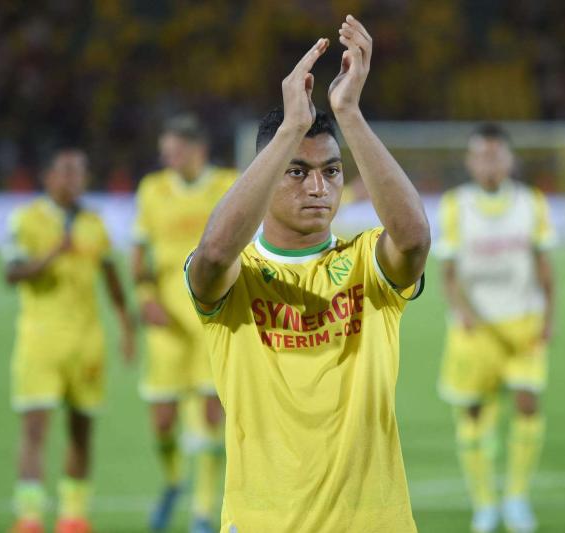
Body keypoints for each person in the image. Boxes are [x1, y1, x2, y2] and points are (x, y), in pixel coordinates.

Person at [184, 15, 430, 532]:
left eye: (331, 171)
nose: (318, 188)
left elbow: (413, 241)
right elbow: (212, 256)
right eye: (297, 171)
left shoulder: (366, 263)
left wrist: (349, 114)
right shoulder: (238, 277)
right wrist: (290, 129)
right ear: (269, 172)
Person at [3, 148, 135, 533]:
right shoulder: (26, 219)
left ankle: (73, 517)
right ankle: (29, 517)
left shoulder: (94, 222)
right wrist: (51, 255)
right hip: (40, 341)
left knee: (81, 430)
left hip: (87, 343)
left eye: (80, 172)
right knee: (34, 428)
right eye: (66, 172)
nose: (74, 179)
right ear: (47, 176)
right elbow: (12, 273)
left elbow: (111, 278)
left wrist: (126, 326)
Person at [435, 124, 555, 533]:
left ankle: (517, 497)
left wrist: (550, 316)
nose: (489, 163)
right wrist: (463, 312)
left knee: (527, 403)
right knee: (472, 412)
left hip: (523, 322)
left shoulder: (532, 203)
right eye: (482, 156)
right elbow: (448, 273)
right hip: (475, 330)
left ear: (510, 160)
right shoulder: (455, 205)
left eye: (496, 155)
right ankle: (484, 503)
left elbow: (544, 263)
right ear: (470, 162)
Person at [131, 115, 236, 532]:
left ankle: (202, 513)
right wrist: (145, 299)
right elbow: (138, 255)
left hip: (212, 319)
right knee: (163, 421)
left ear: (198, 150)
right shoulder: (152, 190)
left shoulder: (227, 184)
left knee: (211, 417)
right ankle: (175, 480)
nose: (168, 159)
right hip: (167, 326)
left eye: (175, 151)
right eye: (165, 152)